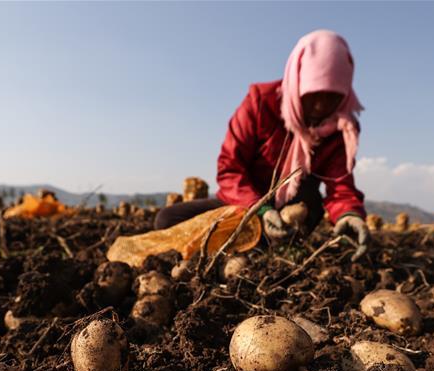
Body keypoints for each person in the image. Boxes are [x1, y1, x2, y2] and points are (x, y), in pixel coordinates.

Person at [154, 30, 371, 260]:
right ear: (298, 80)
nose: (320, 106)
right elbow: (230, 168)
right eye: (314, 94)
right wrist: (259, 209)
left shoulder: (342, 127)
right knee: (168, 220)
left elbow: (340, 185)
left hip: (292, 212)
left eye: (332, 96)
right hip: (243, 202)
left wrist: (349, 213)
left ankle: (266, 248)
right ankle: (245, 247)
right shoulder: (260, 103)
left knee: (309, 201)